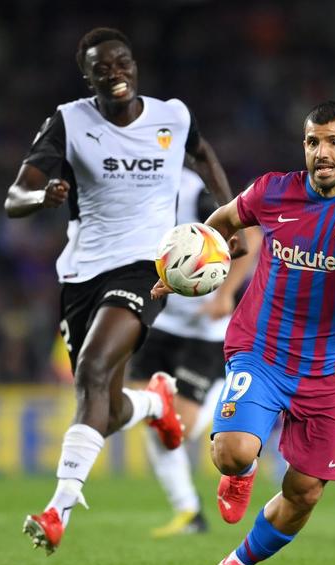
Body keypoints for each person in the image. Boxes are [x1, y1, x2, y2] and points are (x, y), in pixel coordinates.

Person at [152, 101, 335, 565]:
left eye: (333, 142)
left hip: (329, 369)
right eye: (313, 141)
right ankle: (242, 472)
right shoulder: (273, 191)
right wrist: (185, 266)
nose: (322, 152)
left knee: (305, 492)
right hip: (260, 350)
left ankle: (236, 564)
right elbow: (223, 220)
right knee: (231, 452)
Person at [4, 27, 236, 556]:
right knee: (102, 411)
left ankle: (57, 510)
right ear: (86, 77)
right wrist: (42, 195)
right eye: (101, 66)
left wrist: (231, 222)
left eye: (122, 62)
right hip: (81, 273)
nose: (115, 72)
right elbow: (14, 195)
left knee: (88, 370)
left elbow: (205, 156)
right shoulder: (69, 121)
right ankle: (155, 403)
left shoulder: (172, 117)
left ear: (135, 66)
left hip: (145, 270)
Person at [128, 165, 260, 538]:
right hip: (163, 321)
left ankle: (221, 391)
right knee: (152, 416)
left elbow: (250, 231)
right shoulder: (132, 190)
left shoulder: (193, 192)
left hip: (205, 328)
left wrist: (227, 293)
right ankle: (188, 511)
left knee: (179, 427)